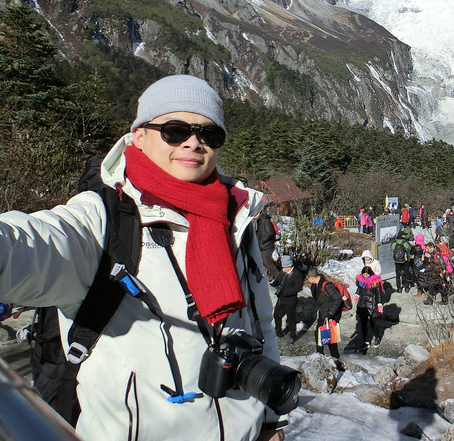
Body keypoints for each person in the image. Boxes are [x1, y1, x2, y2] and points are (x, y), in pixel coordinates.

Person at [0, 75, 290, 440]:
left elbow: (259, 325)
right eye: (174, 130)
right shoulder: (103, 219)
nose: (193, 143)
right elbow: (28, 244)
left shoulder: (236, 217)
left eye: (209, 134)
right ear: (139, 135)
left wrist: (268, 420)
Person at [304, 268, 345, 371]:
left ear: (312, 278)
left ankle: (335, 358)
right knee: (320, 334)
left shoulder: (327, 285)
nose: (307, 280)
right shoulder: (315, 285)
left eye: (307, 278)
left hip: (331, 314)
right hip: (324, 312)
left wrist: (331, 313)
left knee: (331, 337)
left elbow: (338, 298)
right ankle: (320, 355)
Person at [272, 255, 303, 343]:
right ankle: (278, 331)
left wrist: (287, 292)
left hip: (290, 301)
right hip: (281, 299)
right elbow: (278, 280)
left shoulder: (297, 275)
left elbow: (298, 287)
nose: (284, 269)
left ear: (289, 266)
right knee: (276, 315)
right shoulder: (283, 272)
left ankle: (293, 336)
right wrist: (274, 284)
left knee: (291, 318)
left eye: (285, 267)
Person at [354, 265, 384, 351]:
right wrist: (357, 294)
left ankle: (377, 337)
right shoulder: (361, 280)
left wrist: (379, 303)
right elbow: (359, 288)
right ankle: (365, 340)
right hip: (362, 303)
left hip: (372, 304)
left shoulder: (375, 281)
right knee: (363, 323)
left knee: (372, 322)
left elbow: (378, 293)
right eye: (364, 274)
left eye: (367, 274)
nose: (365, 276)